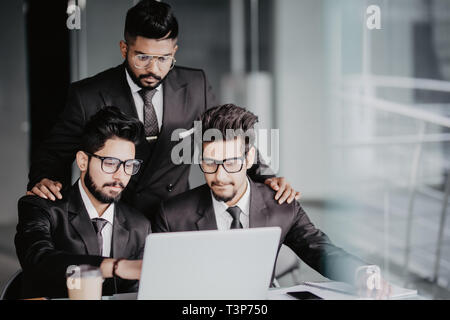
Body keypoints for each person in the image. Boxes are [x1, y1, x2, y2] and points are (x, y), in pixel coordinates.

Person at [26, 0, 300, 219]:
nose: (153, 69)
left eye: (163, 59)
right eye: (142, 57)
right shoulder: (87, 94)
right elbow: (53, 154)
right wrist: (46, 179)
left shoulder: (195, 83)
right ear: (124, 49)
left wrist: (267, 177)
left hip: (175, 213)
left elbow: (227, 134)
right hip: (113, 217)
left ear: (174, 52)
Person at [153, 104, 392, 299]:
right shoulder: (172, 215)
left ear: (249, 158)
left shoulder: (281, 205)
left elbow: (320, 249)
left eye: (231, 162)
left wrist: (360, 273)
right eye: (210, 163)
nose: (220, 175)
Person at [15, 107, 150, 299]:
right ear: (83, 161)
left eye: (129, 165)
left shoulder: (139, 226)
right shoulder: (41, 207)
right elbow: (38, 262)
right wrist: (115, 267)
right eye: (110, 163)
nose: (120, 176)